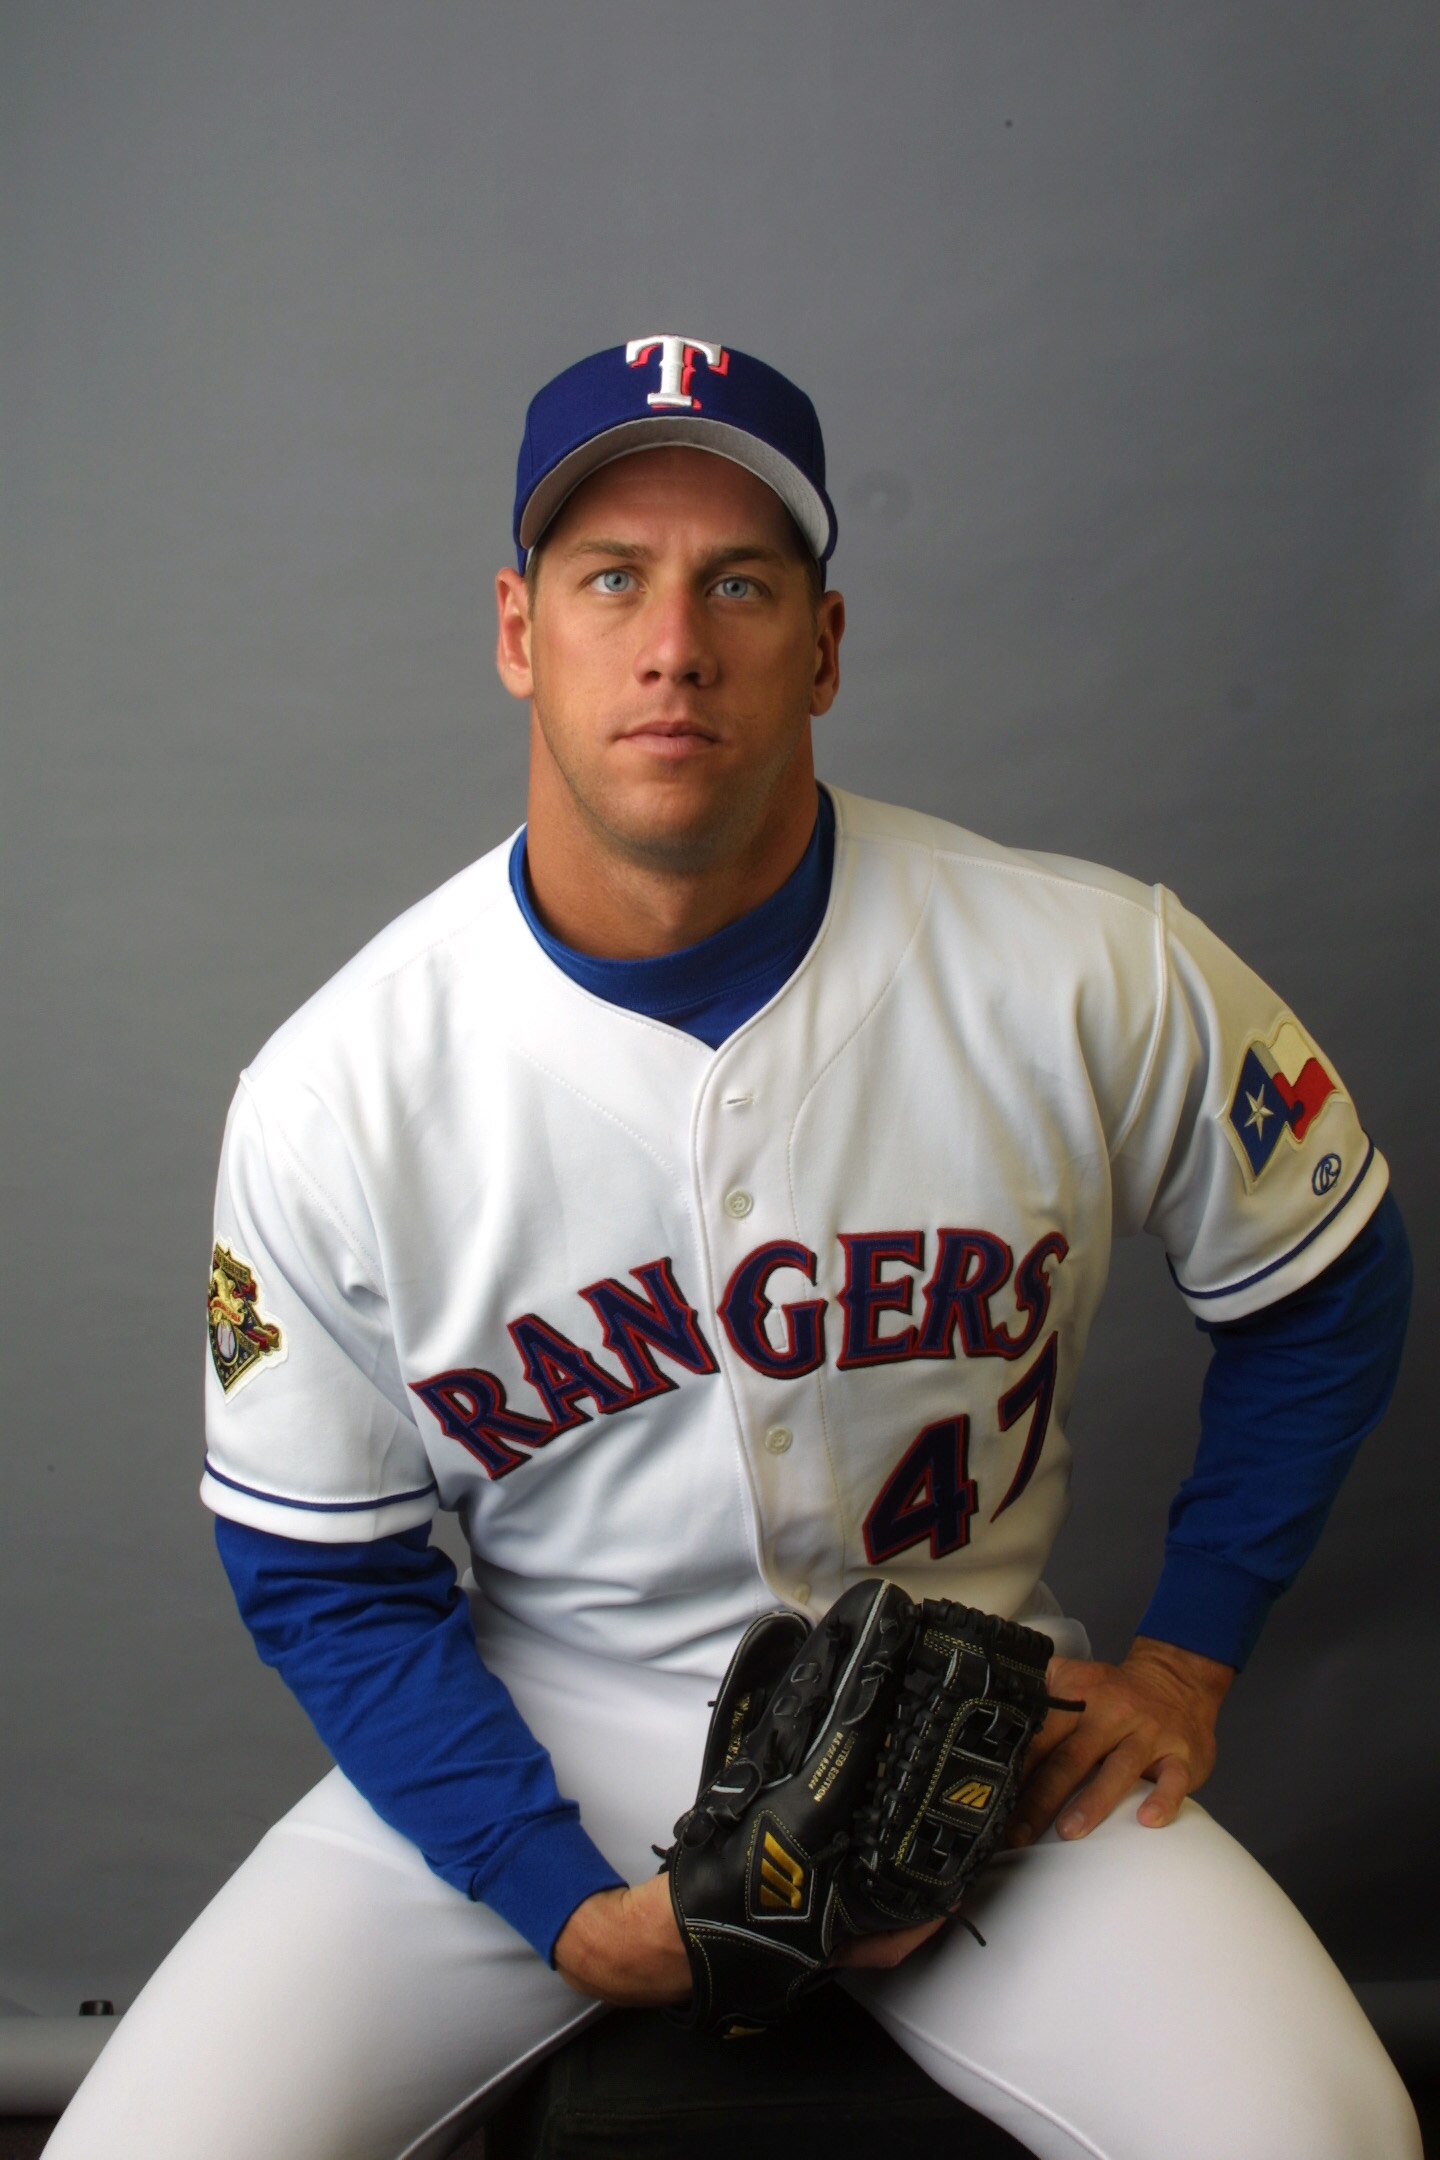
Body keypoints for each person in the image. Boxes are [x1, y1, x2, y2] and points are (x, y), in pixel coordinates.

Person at [48, 336, 1420, 2160]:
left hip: (979, 1722)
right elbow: (323, 1570)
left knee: (1326, 2135)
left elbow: (1332, 1278)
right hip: (554, 1725)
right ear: (520, 632)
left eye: (741, 585)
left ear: (826, 647)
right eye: (611, 578)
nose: (674, 643)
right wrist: (553, 1897)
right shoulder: (338, 1090)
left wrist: (1189, 1657)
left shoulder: (1091, 968)